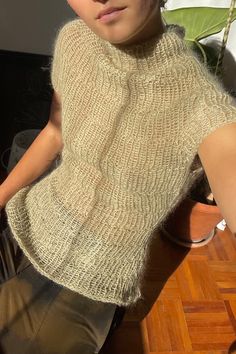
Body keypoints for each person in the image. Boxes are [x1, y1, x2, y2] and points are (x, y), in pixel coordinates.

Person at [1, 0, 236, 353]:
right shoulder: (74, 42)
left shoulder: (202, 106)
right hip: (26, 224)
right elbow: (54, 132)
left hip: (83, 290)